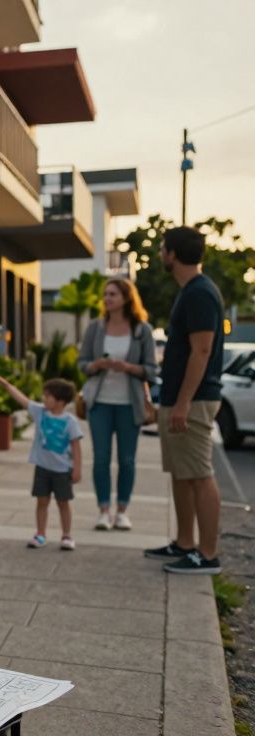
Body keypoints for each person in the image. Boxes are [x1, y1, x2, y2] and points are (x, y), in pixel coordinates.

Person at [144, 226, 225, 574]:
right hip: (180, 398)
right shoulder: (191, 292)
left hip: (192, 400)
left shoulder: (200, 294)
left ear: (173, 253)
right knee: (181, 473)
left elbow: (202, 350)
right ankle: (184, 542)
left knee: (199, 475)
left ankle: (207, 555)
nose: (161, 253)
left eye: (163, 247)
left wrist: (182, 403)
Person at [78, 278, 158, 531]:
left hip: (129, 404)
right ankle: (103, 510)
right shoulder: (95, 328)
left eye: (112, 294)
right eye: (105, 294)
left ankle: (122, 511)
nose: (107, 298)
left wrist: (128, 368)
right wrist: (96, 366)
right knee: (101, 459)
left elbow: (151, 370)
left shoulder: (141, 330)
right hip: (99, 403)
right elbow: (82, 364)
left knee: (127, 460)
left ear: (126, 298)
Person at [0, 377, 83, 550]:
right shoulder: (40, 412)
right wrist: (8, 386)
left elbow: (76, 446)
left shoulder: (70, 421)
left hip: (62, 470)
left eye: (47, 396)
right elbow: (23, 400)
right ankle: (40, 534)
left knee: (63, 503)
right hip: (42, 468)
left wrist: (77, 469)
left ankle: (66, 535)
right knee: (41, 502)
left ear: (60, 401)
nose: (43, 399)